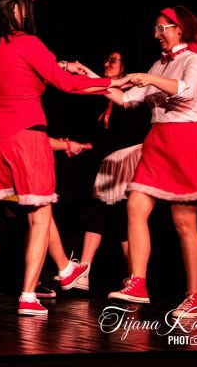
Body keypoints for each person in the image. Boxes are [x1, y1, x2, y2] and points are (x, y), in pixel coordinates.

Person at [0, 0, 127, 316]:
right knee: (41, 215)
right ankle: (28, 295)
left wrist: (58, 66)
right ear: (15, 9)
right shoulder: (28, 42)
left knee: (36, 209)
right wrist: (110, 83)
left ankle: (65, 269)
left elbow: (23, 72)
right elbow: (66, 84)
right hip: (26, 136)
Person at [107, 6, 197, 318]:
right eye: (155, 29)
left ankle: (195, 299)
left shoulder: (194, 60)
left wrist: (149, 77)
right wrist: (92, 81)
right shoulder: (159, 64)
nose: (156, 35)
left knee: (184, 222)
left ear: (179, 29)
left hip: (184, 142)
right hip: (157, 143)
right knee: (135, 205)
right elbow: (128, 99)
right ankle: (138, 283)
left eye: (161, 28)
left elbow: (186, 92)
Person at [0, 136, 91, 300]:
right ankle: (63, 270)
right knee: (38, 216)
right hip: (5, 164)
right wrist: (67, 145)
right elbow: (32, 138)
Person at [60, 51, 151, 290]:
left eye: (113, 60)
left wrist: (91, 146)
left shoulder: (133, 91)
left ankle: (134, 277)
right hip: (111, 160)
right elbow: (101, 90)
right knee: (102, 214)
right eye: (107, 60)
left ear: (125, 66)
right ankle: (89, 271)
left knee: (122, 217)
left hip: (128, 158)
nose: (107, 63)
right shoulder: (109, 95)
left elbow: (127, 134)